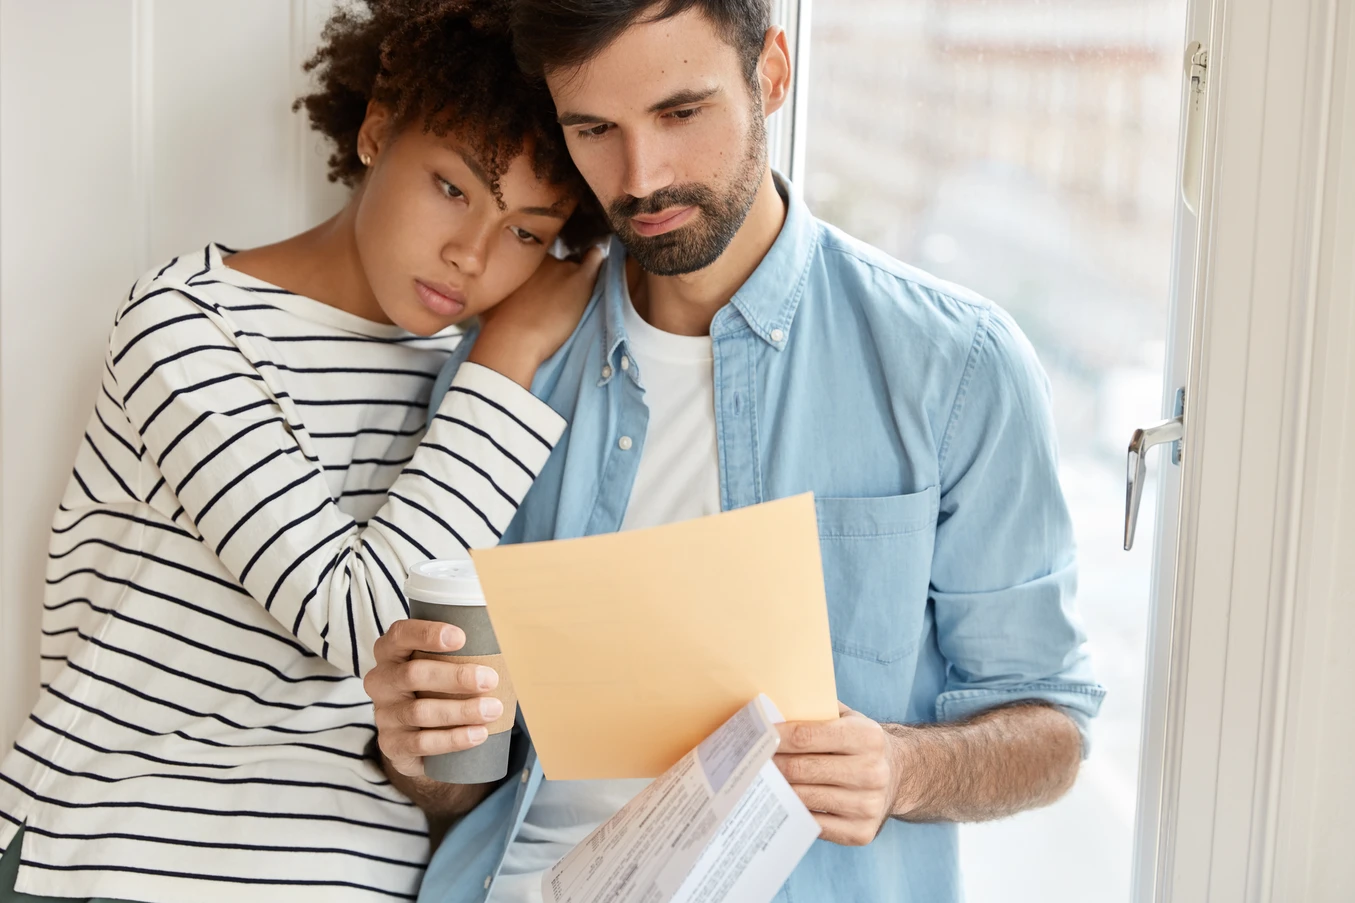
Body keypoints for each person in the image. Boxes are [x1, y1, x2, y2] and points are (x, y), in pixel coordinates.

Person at [365, 1, 1107, 901]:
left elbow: (1049, 725)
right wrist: (422, 747)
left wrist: (903, 768)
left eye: (681, 113)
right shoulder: (506, 370)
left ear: (773, 76)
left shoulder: (954, 366)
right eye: (595, 129)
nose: (641, 176)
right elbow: (456, 784)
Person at [0, 2, 609, 902]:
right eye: (452, 187)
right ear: (374, 132)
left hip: (354, 877)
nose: (470, 254)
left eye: (524, 230)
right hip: (119, 852)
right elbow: (357, 622)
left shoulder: (474, 389)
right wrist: (511, 353)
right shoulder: (188, 324)